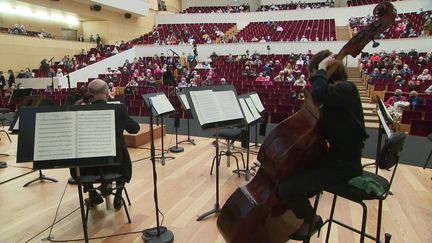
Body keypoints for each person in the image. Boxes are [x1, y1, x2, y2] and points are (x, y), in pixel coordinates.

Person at [275, 50, 368, 239]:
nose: (313, 78)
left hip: (345, 166)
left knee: (286, 187)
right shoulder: (336, 93)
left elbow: (318, 93)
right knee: (293, 177)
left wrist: (322, 68)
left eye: (314, 73)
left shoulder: (347, 89)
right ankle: (295, 216)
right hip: (335, 159)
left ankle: (311, 219)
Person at [70, 79, 140, 209]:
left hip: (87, 169)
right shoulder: (119, 110)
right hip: (116, 165)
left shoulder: (79, 110)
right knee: (121, 147)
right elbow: (135, 129)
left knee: (76, 160)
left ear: (89, 93)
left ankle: (92, 193)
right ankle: (118, 194)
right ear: (107, 93)